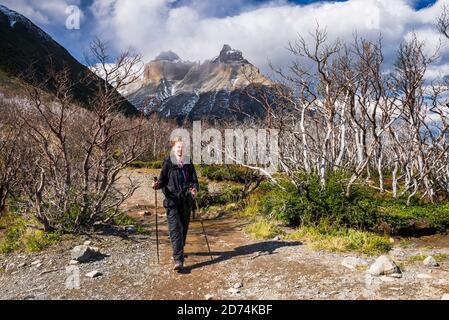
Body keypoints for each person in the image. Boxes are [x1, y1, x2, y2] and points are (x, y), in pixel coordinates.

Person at [152, 137, 199, 271]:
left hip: (186, 201)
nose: (180, 149)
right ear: (173, 148)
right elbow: (162, 181)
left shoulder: (188, 163)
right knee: (175, 229)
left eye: (183, 147)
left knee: (183, 228)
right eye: (178, 147)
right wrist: (156, 185)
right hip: (171, 201)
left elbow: (194, 181)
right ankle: (178, 259)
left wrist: (194, 189)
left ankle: (180, 249)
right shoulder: (168, 162)